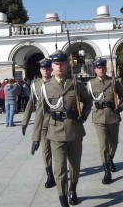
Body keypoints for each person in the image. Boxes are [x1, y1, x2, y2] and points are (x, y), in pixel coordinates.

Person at [32, 50, 92, 207]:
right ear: (52, 66)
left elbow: (88, 101)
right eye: (56, 64)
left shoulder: (76, 84)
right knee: (59, 169)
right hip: (55, 132)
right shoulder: (45, 87)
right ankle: (63, 200)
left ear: (67, 65)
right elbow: (40, 113)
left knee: (75, 166)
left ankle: (73, 188)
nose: (59, 66)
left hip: (74, 130)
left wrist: (84, 114)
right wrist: (35, 138)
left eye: (62, 63)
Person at [87, 58, 123, 184]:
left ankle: (110, 159)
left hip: (113, 116)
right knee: (103, 144)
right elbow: (86, 101)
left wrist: (120, 107)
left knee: (114, 143)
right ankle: (106, 172)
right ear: (95, 70)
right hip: (98, 117)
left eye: (103, 67)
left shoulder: (113, 81)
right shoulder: (90, 84)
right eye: (98, 68)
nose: (101, 69)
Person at [22, 59, 56, 188]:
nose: (45, 71)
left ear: (51, 69)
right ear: (40, 70)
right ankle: (49, 175)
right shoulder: (35, 85)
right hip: (43, 123)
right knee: (46, 150)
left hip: (57, 122)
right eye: (43, 69)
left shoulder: (56, 83)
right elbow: (30, 104)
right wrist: (24, 122)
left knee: (58, 150)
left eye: (47, 69)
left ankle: (59, 171)